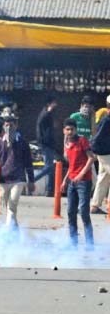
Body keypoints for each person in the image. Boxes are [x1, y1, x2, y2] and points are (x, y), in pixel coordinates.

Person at [0, 108, 35, 229]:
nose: (9, 127)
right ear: (3, 126)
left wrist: (31, 181)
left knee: (12, 204)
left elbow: (28, 163)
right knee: (7, 206)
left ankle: (9, 232)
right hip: (3, 180)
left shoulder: (22, 143)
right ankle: (15, 230)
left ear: (16, 125)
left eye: (11, 125)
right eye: (7, 125)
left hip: (18, 180)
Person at [62, 118, 96, 249]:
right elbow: (71, 165)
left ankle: (89, 244)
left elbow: (91, 158)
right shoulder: (66, 144)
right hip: (72, 181)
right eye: (67, 129)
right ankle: (73, 242)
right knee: (71, 211)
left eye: (72, 129)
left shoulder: (82, 140)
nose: (70, 132)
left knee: (83, 211)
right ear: (64, 131)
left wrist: (81, 174)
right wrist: (65, 180)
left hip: (84, 181)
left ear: (76, 130)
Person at [34, 96, 58, 197]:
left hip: (50, 143)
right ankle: (31, 180)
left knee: (51, 169)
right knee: (49, 167)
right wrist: (42, 141)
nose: (56, 104)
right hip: (46, 143)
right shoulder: (45, 114)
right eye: (54, 103)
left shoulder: (48, 114)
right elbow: (39, 127)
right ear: (49, 104)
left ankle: (49, 190)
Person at [90, 108, 110, 214]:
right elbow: (97, 137)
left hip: (106, 153)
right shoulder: (106, 120)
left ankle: (95, 205)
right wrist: (92, 149)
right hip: (105, 153)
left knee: (103, 178)